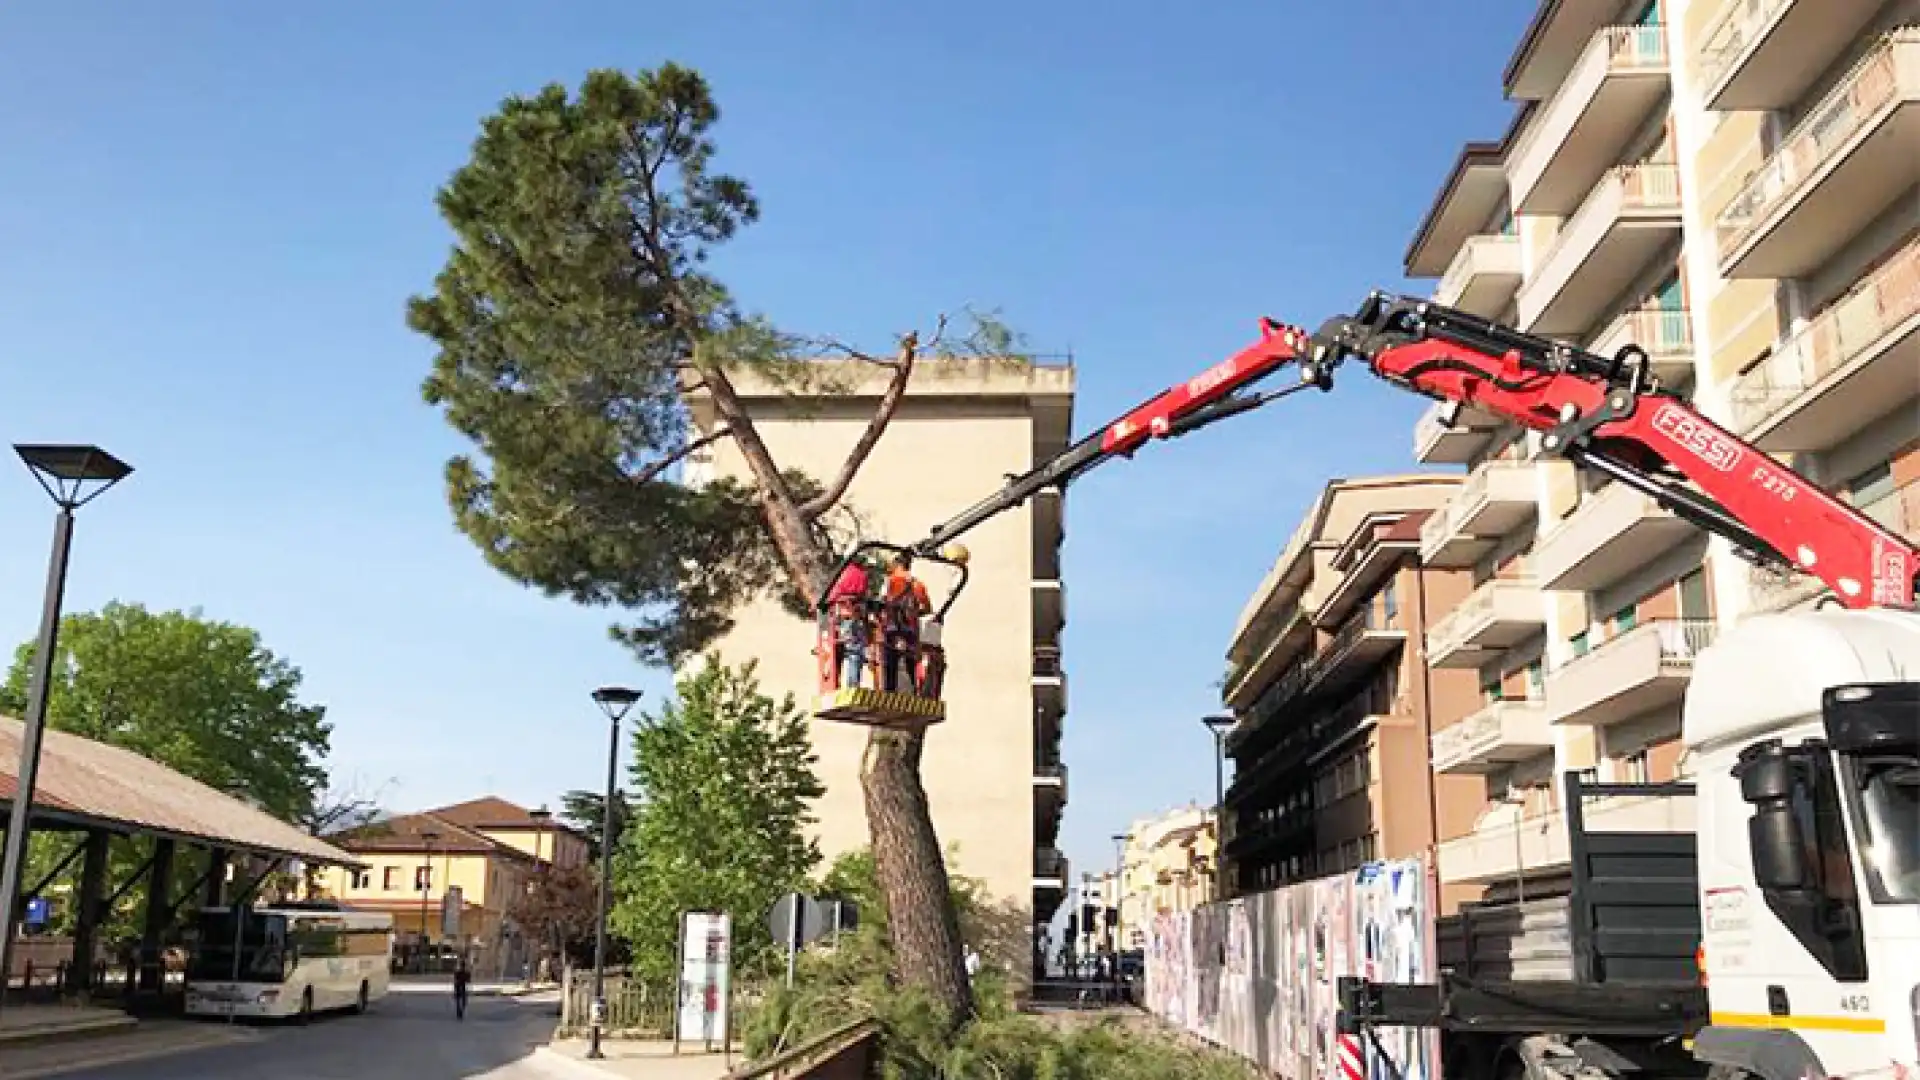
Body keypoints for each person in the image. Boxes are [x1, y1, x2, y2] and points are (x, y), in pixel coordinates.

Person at [880, 553, 931, 693]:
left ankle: (889, 692)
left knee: (890, 662)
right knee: (911, 662)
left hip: (891, 627)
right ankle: (914, 690)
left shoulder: (889, 581)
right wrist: (914, 614)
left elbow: (882, 601)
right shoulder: (917, 584)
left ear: (897, 565)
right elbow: (927, 608)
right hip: (910, 628)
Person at [826, 559, 872, 689]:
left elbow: (833, 595)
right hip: (858, 617)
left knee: (838, 650)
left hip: (844, 617)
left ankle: (834, 683)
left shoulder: (842, 573)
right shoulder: (862, 575)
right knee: (856, 651)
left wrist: (825, 606)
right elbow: (864, 594)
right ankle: (853, 684)